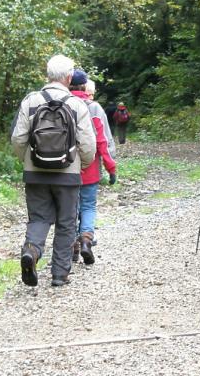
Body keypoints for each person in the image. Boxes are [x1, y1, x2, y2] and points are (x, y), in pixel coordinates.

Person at [11, 54, 96, 287]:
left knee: (38, 218)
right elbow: (88, 145)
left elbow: (18, 138)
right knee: (67, 223)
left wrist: (27, 161)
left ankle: (31, 251)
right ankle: (59, 275)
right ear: (69, 77)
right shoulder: (77, 105)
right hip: (68, 175)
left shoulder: (30, 101)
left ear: (47, 75)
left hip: (35, 172)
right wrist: (82, 165)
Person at [69, 71, 117, 264]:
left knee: (70, 208)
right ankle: (87, 241)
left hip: (65, 169)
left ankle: (72, 245)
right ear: (85, 87)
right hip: (90, 169)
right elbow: (102, 142)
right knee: (88, 206)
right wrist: (111, 168)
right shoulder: (94, 108)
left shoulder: (61, 103)